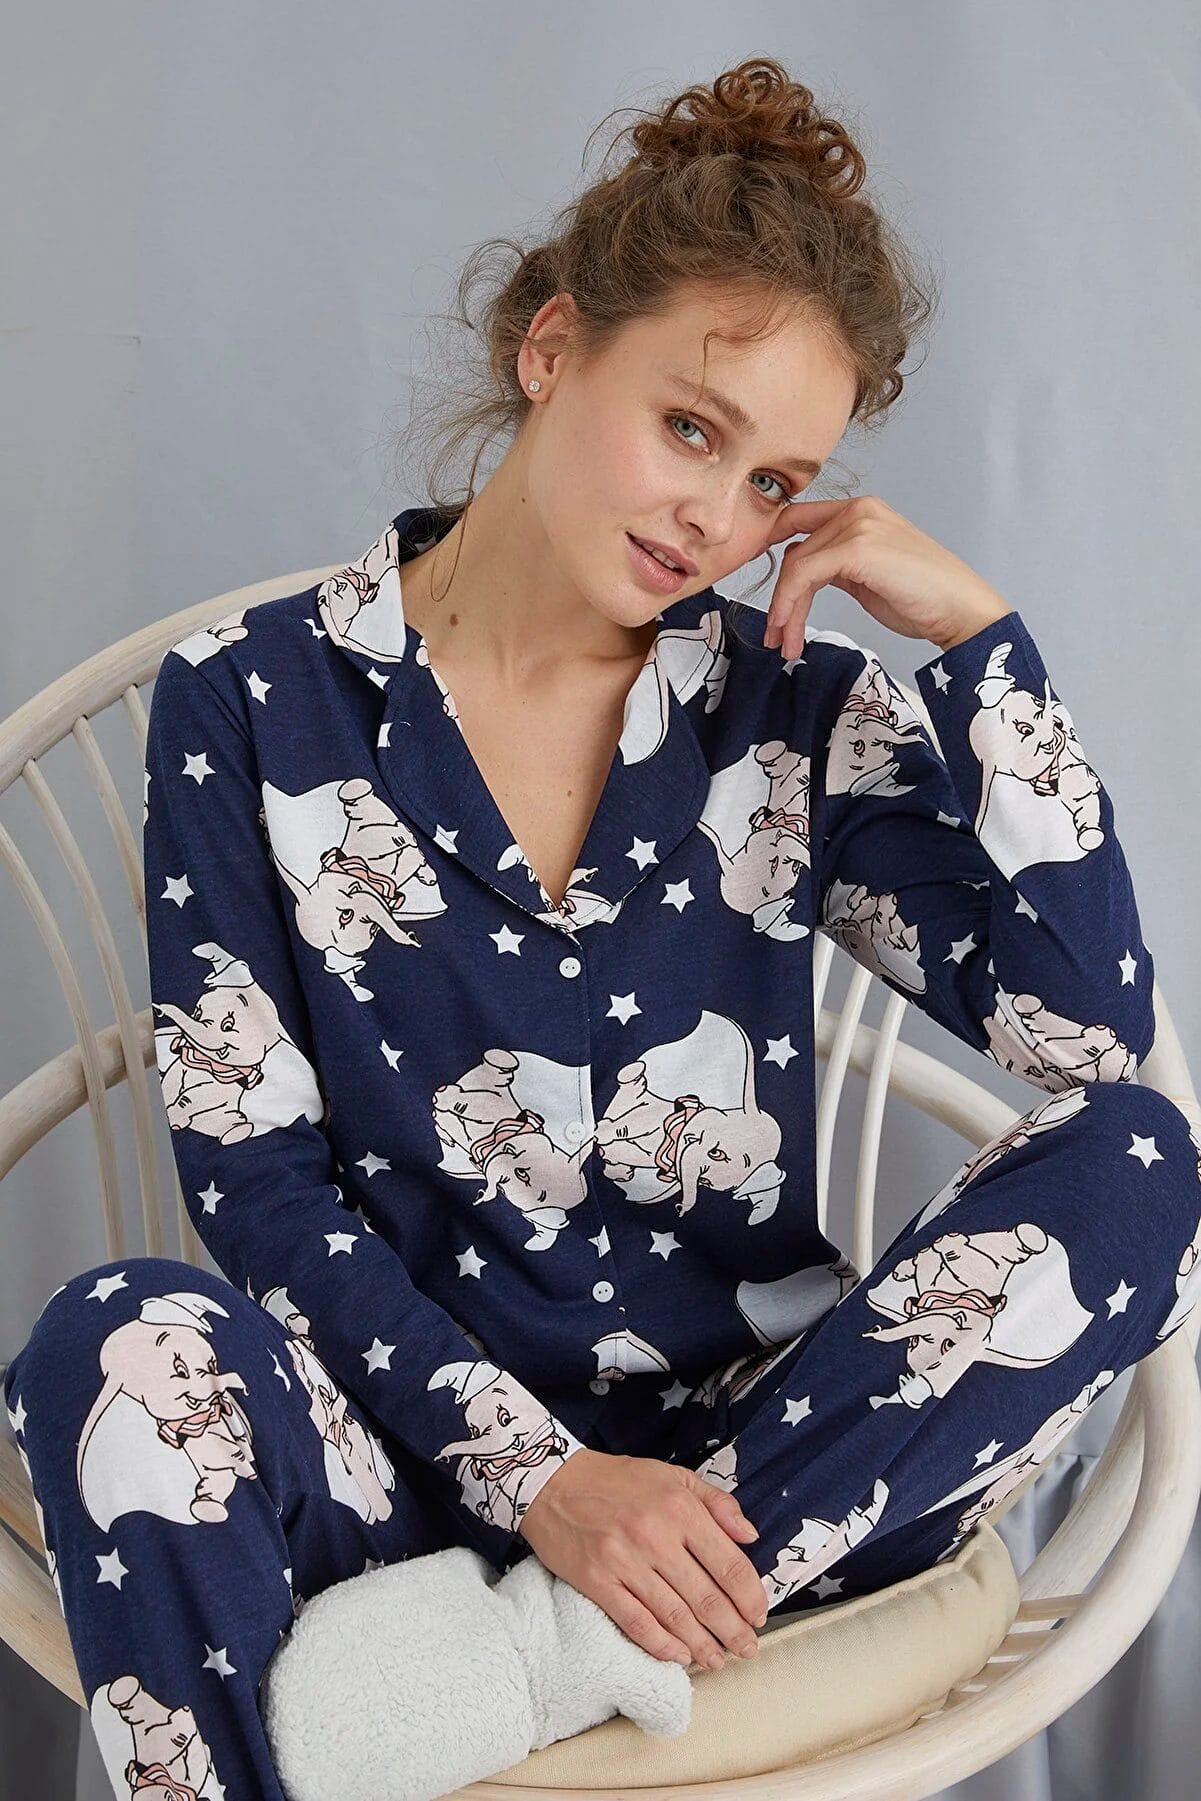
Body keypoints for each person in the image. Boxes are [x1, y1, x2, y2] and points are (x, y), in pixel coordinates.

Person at [7, 55, 1201, 1801]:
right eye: (690, 428)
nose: (713, 516)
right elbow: (255, 1183)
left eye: (774, 479)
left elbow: (1086, 1037)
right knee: (108, 1336)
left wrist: (977, 645)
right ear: (552, 348)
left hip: (754, 1490)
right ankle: (521, 1631)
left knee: (1142, 1162)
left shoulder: (789, 715)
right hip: (398, 1456)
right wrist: (544, 1486)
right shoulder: (249, 703)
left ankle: (554, 1654)